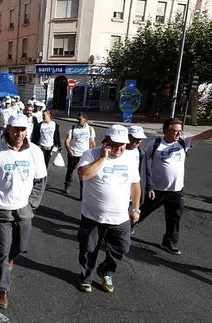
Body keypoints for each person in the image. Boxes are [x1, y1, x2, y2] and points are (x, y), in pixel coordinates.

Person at [0, 114, 47, 310]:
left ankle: (10, 258)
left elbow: (40, 181)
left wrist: (31, 205)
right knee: (2, 250)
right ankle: (2, 288)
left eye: (23, 129)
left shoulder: (35, 151)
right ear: (8, 128)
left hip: (24, 209)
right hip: (1, 209)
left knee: (21, 246)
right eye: (15, 129)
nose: (19, 133)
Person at [136, 119, 212, 254]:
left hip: (176, 191)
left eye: (180, 130)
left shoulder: (183, 142)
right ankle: (119, 231)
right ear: (165, 130)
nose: (178, 133)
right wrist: (146, 185)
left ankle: (169, 241)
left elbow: (205, 135)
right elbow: (141, 162)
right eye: (175, 131)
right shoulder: (155, 144)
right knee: (141, 212)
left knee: (174, 218)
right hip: (156, 190)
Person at [76, 125, 141, 293]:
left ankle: (106, 270)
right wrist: (102, 159)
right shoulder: (91, 154)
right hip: (93, 216)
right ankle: (86, 277)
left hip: (120, 217)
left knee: (122, 247)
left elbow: (135, 184)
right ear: (106, 142)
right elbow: (83, 175)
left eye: (122, 145)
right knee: (88, 250)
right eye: (114, 144)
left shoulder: (130, 158)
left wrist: (135, 208)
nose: (119, 149)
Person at [64, 112, 96, 197]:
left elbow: (92, 141)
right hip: (73, 154)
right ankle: (67, 185)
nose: (78, 120)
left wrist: (93, 152)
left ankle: (83, 191)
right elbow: (67, 140)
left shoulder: (90, 129)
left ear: (85, 119)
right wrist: (68, 149)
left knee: (83, 174)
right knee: (70, 171)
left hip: (84, 155)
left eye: (80, 119)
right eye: (77, 118)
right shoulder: (73, 127)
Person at [126, 125, 148, 205]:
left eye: (141, 139)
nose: (139, 141)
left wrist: (150, 188)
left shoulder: (141, 152)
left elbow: (146, 171)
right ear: (128, 137)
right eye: (136, 138)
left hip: (133, 193)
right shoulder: (118, 151)